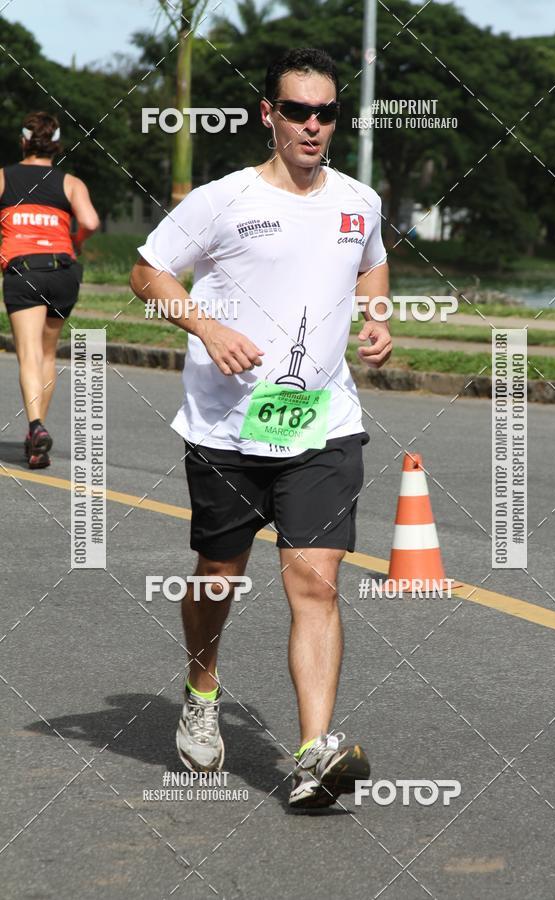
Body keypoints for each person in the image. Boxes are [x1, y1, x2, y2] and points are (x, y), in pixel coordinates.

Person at [130, 47, 392, 810]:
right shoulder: (225, 199)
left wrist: (377, 320)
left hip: (324, 424)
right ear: (268, 116)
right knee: (219, 578)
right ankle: (201, 686)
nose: (314, 126)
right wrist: (207, 328)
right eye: (298, 111)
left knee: (316, 582)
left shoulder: (359, 200)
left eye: (327, 113)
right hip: (227, 430)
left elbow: (371, 263)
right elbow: (147, 272)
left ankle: (312, 754)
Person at [0, 111, 100, 468]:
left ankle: (36, 425)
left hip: (23, 269)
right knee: (47, 353)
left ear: (24, 140)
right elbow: (90, 221)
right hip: (63, 271)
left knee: (27, 355)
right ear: (56, 143)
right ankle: (35, 435)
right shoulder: (70, 182)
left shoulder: (4, 177)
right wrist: (75, 240)